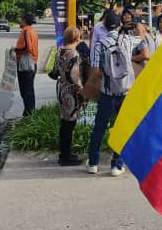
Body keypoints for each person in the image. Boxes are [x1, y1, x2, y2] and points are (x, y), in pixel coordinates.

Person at [86, 10, 136, 176]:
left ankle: (93, 163)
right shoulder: (128, 41)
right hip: (125, 92)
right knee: (120, 128)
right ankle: (117, 164)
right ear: (120, 24)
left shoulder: (100, 44)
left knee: (99, 128)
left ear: (105, 26)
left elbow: (96, 71)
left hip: (107, 93)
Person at [54, 27, 85, 166]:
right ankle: (65, 157)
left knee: (64, 123)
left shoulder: (59, 51)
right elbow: (74, 74)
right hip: (72, 92)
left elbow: (55, 71)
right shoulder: (74, 54)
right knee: (70, 124)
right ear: (77, 38)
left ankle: (64, 152)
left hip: (62, 89)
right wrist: (81, 88)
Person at [14, 13, 39, 117]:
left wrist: (16, 50)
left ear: (24, 20)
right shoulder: (32, 31)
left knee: (25, 91)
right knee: (29, 90)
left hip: (26, 64)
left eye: (21, 19)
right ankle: (29, 113)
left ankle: (28, 115)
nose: (19, 21)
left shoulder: (26, 31)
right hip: (32, 63)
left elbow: (28, 48)